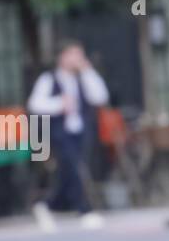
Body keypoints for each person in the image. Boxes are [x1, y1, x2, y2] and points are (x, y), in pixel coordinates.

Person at [27, 40, 110, 227]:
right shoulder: (49, 79)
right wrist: (59, 104)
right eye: (73, 54)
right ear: (62, 57)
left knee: (69, 171)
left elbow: (100, 97)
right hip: (59, 132)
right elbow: (35, 104)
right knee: (74, 167)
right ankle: (84, 210)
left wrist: (88, 71)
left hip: (80, 131)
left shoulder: (83, 78)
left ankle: (46, 204)